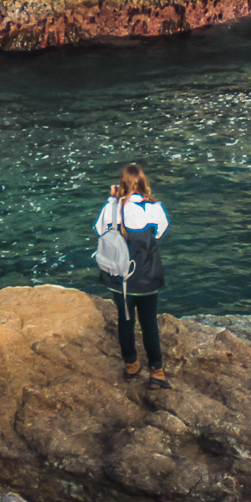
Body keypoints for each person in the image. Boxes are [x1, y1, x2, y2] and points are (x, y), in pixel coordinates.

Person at [94, 162, 169, 388]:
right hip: (147, 277)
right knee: (149, 324)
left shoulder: (111, 208)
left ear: (121, 184)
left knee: (125, 322)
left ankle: (131, 365)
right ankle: (157, 372)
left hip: (119, 277)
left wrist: (112, 200)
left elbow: (99, 230)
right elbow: (160, 232)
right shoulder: (153, 208)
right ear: (143, 183)